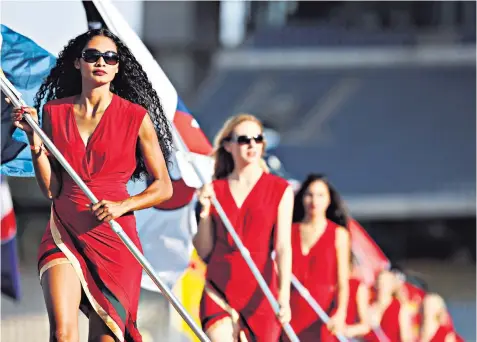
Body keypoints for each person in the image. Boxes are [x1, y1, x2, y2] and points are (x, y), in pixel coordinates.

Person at [10, 28, 173, 342]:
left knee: (106, 338)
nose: (101, 61)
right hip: (64, 230)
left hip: (115, 238)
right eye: (92, 55)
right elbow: (51, 189)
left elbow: (163, 186)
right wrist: (35, 142)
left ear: (116, 68)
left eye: (109, 57)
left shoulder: (136, 117)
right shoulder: (53, 113)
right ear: (77, 63)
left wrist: (123, 205)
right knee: (62, 334)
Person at [192, 114, 294, 341]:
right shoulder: (214, 189)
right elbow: (203, 250)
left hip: (261, 293)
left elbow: (284, 247)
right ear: (228, 146)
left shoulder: (280, 189)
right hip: (219, 289)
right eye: (243, 139)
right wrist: (205, 211)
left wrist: (284, 298)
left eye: (257, 139)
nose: (251, 144)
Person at [285, 174, 351, 341]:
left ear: (329, 200)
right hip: (290, 311)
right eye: (309, 194)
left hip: (322, 315)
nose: (314, 200)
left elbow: (343, 282)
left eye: (320, 195)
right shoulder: (288, 231)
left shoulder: (339, 234)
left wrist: (340, 313)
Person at [365, 270, 413, 342]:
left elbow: (406, 338)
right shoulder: (368, 305)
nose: (382, 285)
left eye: (386, 282)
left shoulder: (400, 307)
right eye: (380, 281)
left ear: (392, 286)